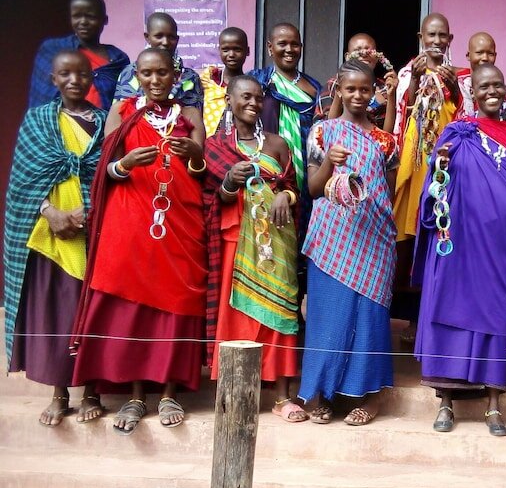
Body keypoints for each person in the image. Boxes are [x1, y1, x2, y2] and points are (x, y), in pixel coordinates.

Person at [71, 48, 208, 434]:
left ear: (174, 74)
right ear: (138, 75)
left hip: (180, 220)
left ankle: (168, 392)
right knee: (135, 304)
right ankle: (134, 395)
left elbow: (201, 172)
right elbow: (104, 168)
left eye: (161, 73)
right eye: (146, 73)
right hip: (131, 220)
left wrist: (196, 153)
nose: (154, 80)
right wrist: (126, 164)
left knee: (177, 301)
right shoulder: (124, 110)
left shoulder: (190, 114)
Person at [413, 64, 506, 437]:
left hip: (502, 244)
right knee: (449, 310)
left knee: (497, 315)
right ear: (474, 92)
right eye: (485, 86)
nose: (492, 91)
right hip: (460, 242)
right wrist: (440, 164)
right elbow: (435, 186)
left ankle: (494, 406)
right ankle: (446, 402)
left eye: (498, 85)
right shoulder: (456, 133)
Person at [6, 50, 107, 425]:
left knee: (91, 311)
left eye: (82, 74)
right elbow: (23, 180)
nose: (74, 80)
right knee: (58, 313)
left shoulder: (102, 123)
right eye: (65, 74)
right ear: (53, 79)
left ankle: (92, 389)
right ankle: (60, 393)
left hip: (92, 230)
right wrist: (51, 213)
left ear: (91, 78)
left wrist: (87, 212)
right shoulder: (38, 122)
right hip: (50, 231)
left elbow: (107, 177)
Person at [301, 60, 399, 426]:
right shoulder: (323, 132)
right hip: (332, 239)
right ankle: (317, 392)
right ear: (339, 90)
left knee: (370, 318)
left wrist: (384, 231)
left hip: (374, 239)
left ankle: (370, 396)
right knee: (330, 315)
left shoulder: (386, 140)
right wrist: (329, 161)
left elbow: (386, 195)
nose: (358, 95)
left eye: (365, 89)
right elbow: (313, 189)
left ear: (374, 91)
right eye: (351, 89)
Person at [203, 75, 306, 423]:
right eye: (244, 97)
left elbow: (293, 189)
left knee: (280, 312)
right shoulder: (216, 147)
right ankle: (234, 394)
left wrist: (284, 195)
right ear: (229, 101)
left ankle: (281, 396)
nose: (252, 103)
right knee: (238, 315)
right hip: (237, 241)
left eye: (258, 98)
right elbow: (213, 197)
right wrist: (230, 182)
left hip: (277, 241)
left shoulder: (278, 144)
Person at [392, 13, 462, 344]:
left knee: (438, 236)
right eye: (431, 34)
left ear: (449, 39)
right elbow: (401, 112)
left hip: (445, 165)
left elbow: (463, 116)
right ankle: (404, 315)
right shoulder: (410, 71)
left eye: (442, 36)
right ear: (421, 36)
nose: (436, 40)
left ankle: (430, 318)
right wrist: (415, 82)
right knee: (407, 240)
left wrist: (451, 87)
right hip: (416, 162)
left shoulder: (458, 76)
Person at [248, 23, 321, 235]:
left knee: (302, 226)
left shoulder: (313, 87)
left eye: (294, 44)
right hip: (267, 166)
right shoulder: (258, 82)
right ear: (270, 48)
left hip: (305, 170)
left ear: (301, 47)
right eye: (282, 44)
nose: (289, 49)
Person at [28, 0, 128, 111]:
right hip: (57, 126)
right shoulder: (53, 49)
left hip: (104, 126)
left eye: (90, 16)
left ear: (105, 20)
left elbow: (125, 103)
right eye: (77, 16)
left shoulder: (118, 59)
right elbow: (42, 96)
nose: (83, 22)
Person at [113, 12, 203, 108]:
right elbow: (121, 113)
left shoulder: (190, 77)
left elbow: (196, 116)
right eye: (159, 36)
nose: (165, 42)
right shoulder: (128, 73)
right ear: (147, 37)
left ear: (177, 39)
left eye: (171, 37)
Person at [319, 33, 398, 133]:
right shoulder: (334, 84)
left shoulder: (385, 87)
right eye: (358, 51)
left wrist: (391, 96)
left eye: (368, 50)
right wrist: (341, 86)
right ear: (347, 56)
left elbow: (387, 135)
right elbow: (327, 127)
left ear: (378, 56)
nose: (364, 53)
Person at [200, 27, 249, 136]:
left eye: (237, 49)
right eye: (226, 50)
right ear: (219, 51)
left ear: (247, 51)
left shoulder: (250, 87)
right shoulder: (207, 82)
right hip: (208, 146)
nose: (231, 54)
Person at [457, 31, 497, 116]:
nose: (485, 58)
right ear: (468, 55)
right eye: (479, 53)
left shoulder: (497, 86)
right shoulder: (458, 83)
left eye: (490, 54)